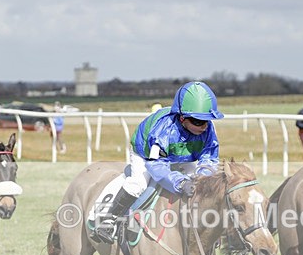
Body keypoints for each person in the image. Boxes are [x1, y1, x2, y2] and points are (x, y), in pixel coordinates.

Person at [94, 81, 222, 243]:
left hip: (182, 155)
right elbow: (156, 165)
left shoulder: (208, 129)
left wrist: (201, 180)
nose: (203, 126)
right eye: (197, 121)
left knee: (200, 187)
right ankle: (109, 220)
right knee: (139, 184)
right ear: (182, 119)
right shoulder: (165, 129)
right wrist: (180, 183)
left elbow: (209, 159)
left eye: (207, 120)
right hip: (147, 155)